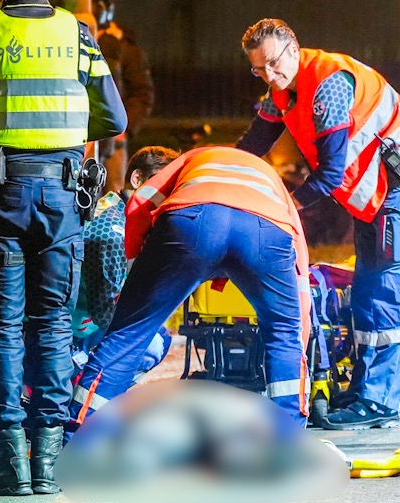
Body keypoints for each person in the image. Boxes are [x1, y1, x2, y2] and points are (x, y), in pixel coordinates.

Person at [0, 0, 126, 496]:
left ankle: (7, 462)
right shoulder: (78, 32)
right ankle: (46, 463)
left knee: (3, 325)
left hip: (1, 193)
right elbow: (113, 117)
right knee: (52, 324)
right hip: (65, 194)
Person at [237, 18, 400, 430]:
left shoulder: (327, 82)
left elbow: (329, 174)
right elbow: (251, 148)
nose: (270, 76)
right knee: (365, 288)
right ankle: (367, 391)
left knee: (386, 287)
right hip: (374, 188)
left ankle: (379, 402)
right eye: (259, 70)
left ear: (294, 48)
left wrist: (285, 208)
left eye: (274, 64)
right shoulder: (281, 93)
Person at [78, 144, 310, 418]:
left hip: (193, 218)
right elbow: (299, 262)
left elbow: (142, 202)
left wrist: (136, 280)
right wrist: (297, 330)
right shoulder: (270, 178)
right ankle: (288, 441)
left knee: (129, 334)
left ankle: (76, 434)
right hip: (267, 228)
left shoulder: (189, 161)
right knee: (283, 333)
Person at [92, 0, 154, 191]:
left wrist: (124, 128)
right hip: (81, 134)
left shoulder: (123, 46)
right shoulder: (70, 39)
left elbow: (141, 92)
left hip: (113, 135)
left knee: (112, 195)